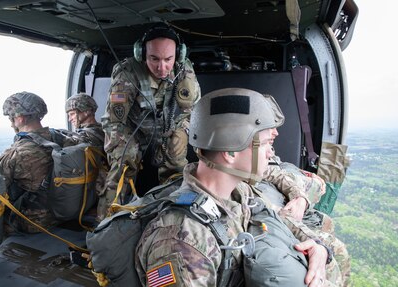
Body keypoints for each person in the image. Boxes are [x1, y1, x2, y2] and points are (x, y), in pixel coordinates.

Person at [135, 88, 333, 287]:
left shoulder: (238, 191)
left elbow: (275, 219)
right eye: (264, 144)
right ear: (230, 153)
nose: (270, 154)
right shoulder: (182, 244)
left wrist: (319, 248)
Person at [101, 22, 201, 211]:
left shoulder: (183, 70)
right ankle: (107, 219)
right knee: (124, 163)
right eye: (154, 59)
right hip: (130, 132)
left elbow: (195, 111)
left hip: (163, 131)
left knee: (177, 151)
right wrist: (124, 145)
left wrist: (183, 129)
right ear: (142, 54)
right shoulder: (128, 72)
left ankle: (172, 211)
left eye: (168, 59)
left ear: (178, 55)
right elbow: (115, 120)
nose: (162, 67)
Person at [260, 127, 351, 286]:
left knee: (331, 236)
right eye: (264, 144)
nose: (276, 132)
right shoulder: (236, 186)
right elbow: (269, 214)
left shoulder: (251, 168)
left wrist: (299, 197)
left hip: (280, 217)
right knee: (333, 255)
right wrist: (315, 243)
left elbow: (273, 171)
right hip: (272, 230)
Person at [0, 91, 73, 233]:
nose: (11, 123)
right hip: (67, 212)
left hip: (34, 223)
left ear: (21, 118)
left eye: (12, 117)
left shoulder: (15, 154)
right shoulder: (65, 139)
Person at [65, 92, 108, 221]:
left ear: (86, 112)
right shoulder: (104, 131)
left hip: (94, 192)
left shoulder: (82, 138)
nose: (70, 119)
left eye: (72, 114)